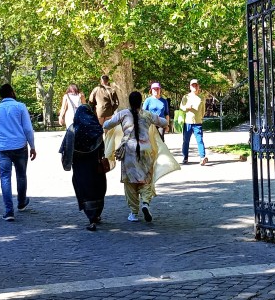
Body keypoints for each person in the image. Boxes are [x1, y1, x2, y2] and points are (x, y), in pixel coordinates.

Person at [103, 91, 169, 222]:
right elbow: (163, 123)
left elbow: (106, 125)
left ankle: (133, 213)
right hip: (146, 150)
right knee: (146, 180)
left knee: (130, 183)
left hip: (129, 151)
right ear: (141, 102)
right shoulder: (147, 114)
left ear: (129, 101)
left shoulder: (123, 114)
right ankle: (145, 202)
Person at [0, 83, 37, 221]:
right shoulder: (20, 107)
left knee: (5, 178)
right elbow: (28, 129)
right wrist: (32, 146)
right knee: (21, 175)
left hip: (3, 148)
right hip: (20, 146)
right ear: (11, 92)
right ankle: (21, 202)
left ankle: (9, 211)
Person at [71, 102, 107, 231]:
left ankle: (91, 218)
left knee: (84, 191)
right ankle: (97, 215)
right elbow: (102, 148)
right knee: (98, 190)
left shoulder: (73, 130)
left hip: (81, 169)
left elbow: (66, 150)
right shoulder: (96, 128)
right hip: (95, 167)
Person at [181, 78, 207, 165]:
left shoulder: (202, 98)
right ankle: (185, 157)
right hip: (187, 122)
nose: (195, 87)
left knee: (200, 140)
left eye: (196, 85)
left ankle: (202, 157)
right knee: (186, 141)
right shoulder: (186, 97)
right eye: (193, 85)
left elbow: (203, 110)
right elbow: (181, 108)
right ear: (190, 87)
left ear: (198, 86)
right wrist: (186, 108)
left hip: (198, 123)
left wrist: (200, 117)